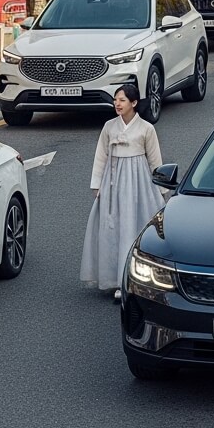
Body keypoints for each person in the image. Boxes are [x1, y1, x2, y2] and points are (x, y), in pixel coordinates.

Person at [80, 84, 164, 302]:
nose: (117, 103)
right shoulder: (109, 127)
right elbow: (101, 156)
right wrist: (97, 185)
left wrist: (162, 188)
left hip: (138, 183)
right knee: (113, 227)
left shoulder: (146, 129)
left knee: (135, 227)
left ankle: (135, 279)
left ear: (134, 103)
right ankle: (116, 280)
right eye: (116, 99)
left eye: (122, 100)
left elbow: (155, 160)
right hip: (113, 181)